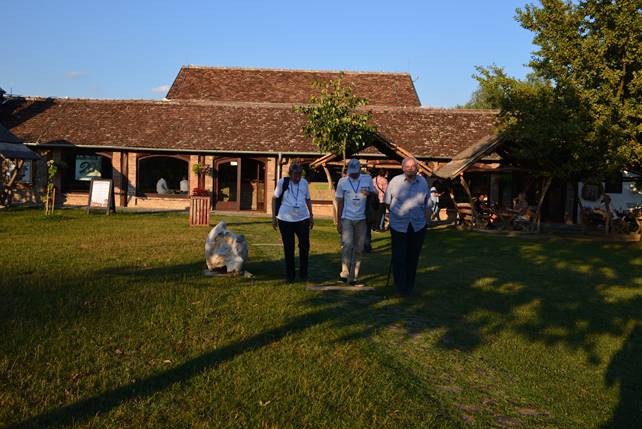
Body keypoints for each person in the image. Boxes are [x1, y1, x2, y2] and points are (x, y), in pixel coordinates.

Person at [384, 157, 430, 297]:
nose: (410, 168)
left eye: (413, 166)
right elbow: (387, 202)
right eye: (407, 166)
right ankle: (400, 287)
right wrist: (395, 215)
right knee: (399, 257)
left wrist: (426, 221)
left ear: (417, 168)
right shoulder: (395, 182)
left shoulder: (423, 182)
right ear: (403, 168)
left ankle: (409, 287)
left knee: (412, 257)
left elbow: (427, 203)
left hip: (417, 225)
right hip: (399, 225)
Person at [335, 159, 375, 285]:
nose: (353, 175)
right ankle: (344, 273)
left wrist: (369, 193)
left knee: (358, 248)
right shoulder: (343, 182)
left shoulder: (367, 179)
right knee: (347, 245)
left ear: (359, 170)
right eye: (351, 172)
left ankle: (354, 275)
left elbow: (375, 195)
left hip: (362, 219)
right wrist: (338, 220)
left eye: (355, 172)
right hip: (347, 217)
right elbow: (339, 201)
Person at [272, 163, 314, 283]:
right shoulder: (282, 182)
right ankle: (290, 276)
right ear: (290, 174)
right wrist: (273, 217)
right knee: (289, 247)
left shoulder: (304, 183)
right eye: (295, 175)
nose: (297, 177)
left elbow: (308, 199)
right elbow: (274, 199)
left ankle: (303, 274)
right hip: (285, 220)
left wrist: (311, 215)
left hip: (303, 219)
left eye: (300, 175)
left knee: (305, 246)